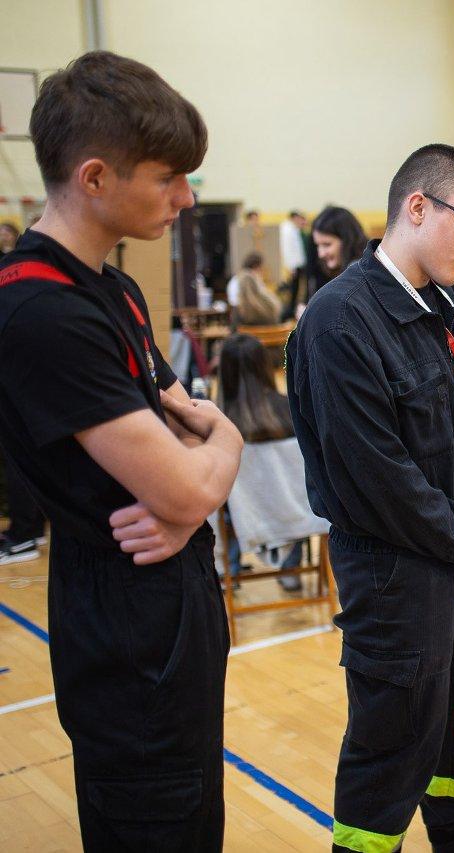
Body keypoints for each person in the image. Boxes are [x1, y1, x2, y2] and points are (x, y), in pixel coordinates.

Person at [0, 51, 243, 850]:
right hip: (128, 627)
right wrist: (197, 484)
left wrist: (217, 450)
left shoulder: (116, 288)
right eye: (168, 176)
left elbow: (200, 438)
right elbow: (179, 481)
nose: (185, 198)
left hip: (172, 602)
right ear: (96, 176)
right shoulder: (43, 310)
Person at [287, 143, 454, 853]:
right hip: (397, 580)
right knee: (390, 760)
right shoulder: (339, 321)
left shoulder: (440, 305)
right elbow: (377, 477)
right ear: (417, 207)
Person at [217, 333, 302, 589]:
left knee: (226, 496)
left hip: (247, 517)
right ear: (265, 366)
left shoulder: (220, 423)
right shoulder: (293, 410)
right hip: (298, 514)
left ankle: (229, 572)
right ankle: (292, 571)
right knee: (296, 489)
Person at [309, 204, 366, 297]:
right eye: (317, 245)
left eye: (327, 244)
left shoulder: (359, 277)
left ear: (347, 240)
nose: (321, 254)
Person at [226, 251, 282, 326]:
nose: (262, 271)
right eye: (261, 268)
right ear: (256, 266)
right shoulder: (254, 280)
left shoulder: (234, 281)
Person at [279, 209, 309, 318]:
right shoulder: (287, 229)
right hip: (293, 265)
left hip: (298, 264)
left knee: (296, 289)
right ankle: (290, 311)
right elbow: (288, 250)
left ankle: (292, 309)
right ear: (293, 218)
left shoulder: (294, 229)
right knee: (292, 290)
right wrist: (291, 266)